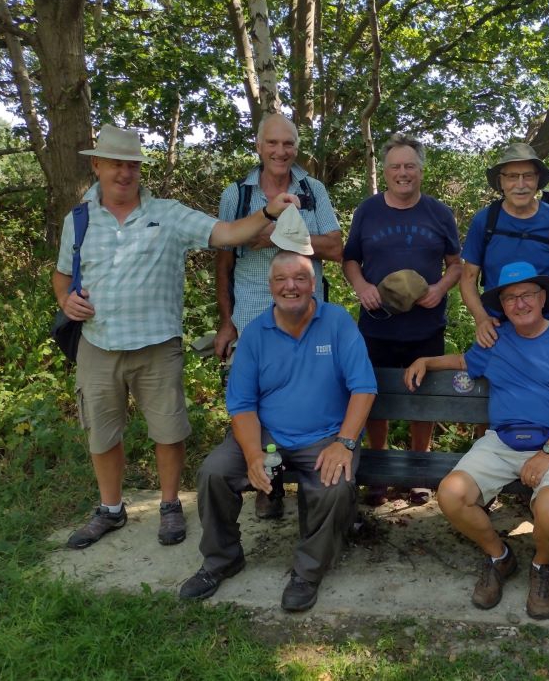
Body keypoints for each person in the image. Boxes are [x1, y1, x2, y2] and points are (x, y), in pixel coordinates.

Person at [54, 124, 300, 550]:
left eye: (132, 165)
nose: (125, 173)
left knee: (168, 431)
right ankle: (110, 508)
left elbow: (225, 234)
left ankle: (169, 506)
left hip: (156, 344)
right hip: (97, 343)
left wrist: (268, 213)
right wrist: (66, 300)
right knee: (102, 433)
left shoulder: (166, 213)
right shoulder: (77, 219)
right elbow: (62, 275)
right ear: (97, 165)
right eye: (116, 164)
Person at [179, 247, 377, 610]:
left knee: (334, 485)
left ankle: (307, 573)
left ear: (313, 284)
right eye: (282, 279)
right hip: (266, 435)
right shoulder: (255, 333)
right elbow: (241, 404)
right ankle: (222, 560)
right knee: (214, 472)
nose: (291, 286)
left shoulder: (337, 323)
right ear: (269, 286)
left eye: (300, 278)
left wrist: (345, 443)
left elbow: (363, 387)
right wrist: (253, 454)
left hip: (325, 436)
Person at [404, 262, 549, 620]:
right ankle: (499, 556)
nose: (519, 304)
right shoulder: (496, 340)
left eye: (526, 295)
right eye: (510, 298)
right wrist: (426, 360)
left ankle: (541, 566)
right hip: (500, 443)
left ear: (542, 298)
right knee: (451, 493)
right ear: (502, 306)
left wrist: (548, 452)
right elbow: (463, 360)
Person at [215, 113, 342, 521]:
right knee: (251, 401)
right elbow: (223, 260)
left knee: (304, 398)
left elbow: (336, 247)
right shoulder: (237, 193)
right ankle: (264, 484)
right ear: (259, 146)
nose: (280, 151)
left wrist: (269, 235)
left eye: (288, 144)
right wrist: (225, 321)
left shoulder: (312, 189)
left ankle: (309, 484)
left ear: (296, 148)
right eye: (272, 143)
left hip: (306, 316)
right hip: (251, 315)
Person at [343, 133, 462, 506]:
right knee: (374, 397)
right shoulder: (368, 211)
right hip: (377, 324)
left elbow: (456, 265)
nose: (403, 172)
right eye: (395, 166)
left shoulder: (439, 213)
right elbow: (350, 260)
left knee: (420, 399)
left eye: (410, 165)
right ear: (385, 170)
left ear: (421, 170)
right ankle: (378, 469)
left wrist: (440, 288)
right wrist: (361, 285)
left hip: (425, 327)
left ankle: (419, 468)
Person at [460, 142, 549, 348]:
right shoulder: (485, 221)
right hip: (498, 330)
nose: (520, 184)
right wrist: (482, 319)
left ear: (537, 180)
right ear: (501, 181)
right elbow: (468, 278)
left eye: (527, 176)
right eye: (512, 176)